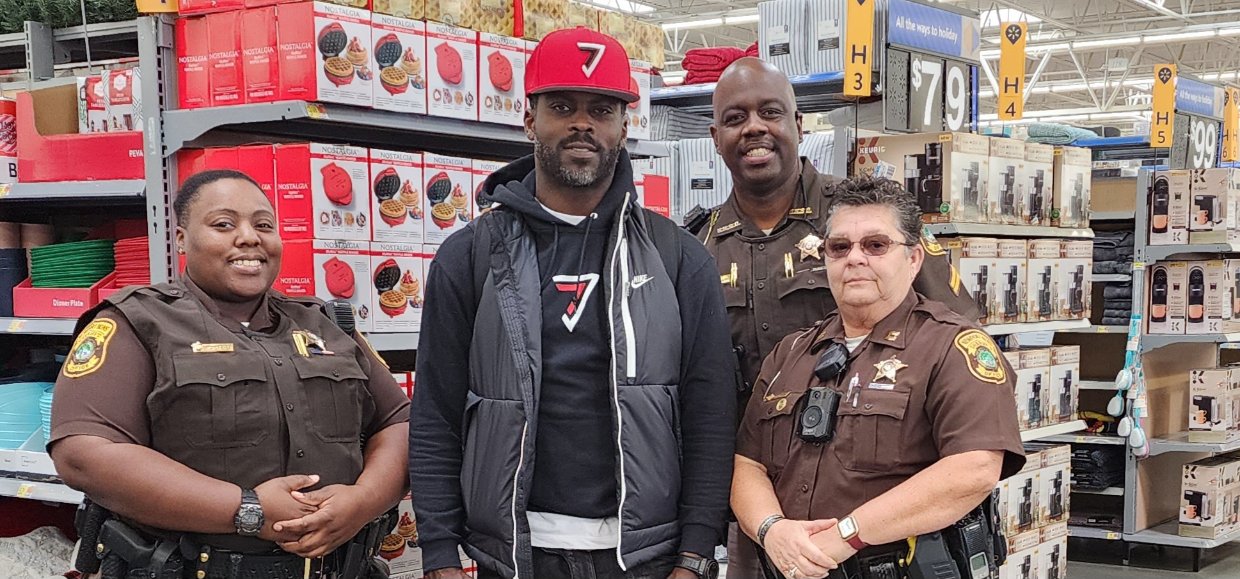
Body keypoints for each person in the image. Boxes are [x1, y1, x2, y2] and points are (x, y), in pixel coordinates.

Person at [409, 27, 736, 579]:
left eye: (602, 109)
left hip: (645, 557)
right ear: (530, 118)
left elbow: (709, 414)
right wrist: (438, 552)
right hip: (517, 554)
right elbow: (436, 413)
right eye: (562, 106)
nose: (583, 123)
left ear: (624, 126)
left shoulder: (679, 257)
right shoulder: (469, 257)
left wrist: (696, 552)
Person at [694, 57, 981, 578]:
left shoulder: (864, 217)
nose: (754, 128)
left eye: (771, 112)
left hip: (880, 514)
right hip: (756, 508)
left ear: (798, 126)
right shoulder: (697, 245)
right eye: (736, 118)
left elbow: (958, 333)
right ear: (715, 137)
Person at [49, 169, 411, 578]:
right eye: (224, 224)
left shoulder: (327, 324)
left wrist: (362, 502)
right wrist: (247, 510)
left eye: (264, 225)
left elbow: (400, 421)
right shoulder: (137, 322)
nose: (249, 237)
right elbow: (83, 453)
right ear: (181, 238)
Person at [731, 177, 1025, 579]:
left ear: (914, 259)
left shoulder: (951, 348)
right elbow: (748, 464)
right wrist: (772, 530)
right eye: (839, 247)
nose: (854, 258)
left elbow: (974, 469)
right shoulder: (791, 353)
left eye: (876, 245)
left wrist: (848, 535)